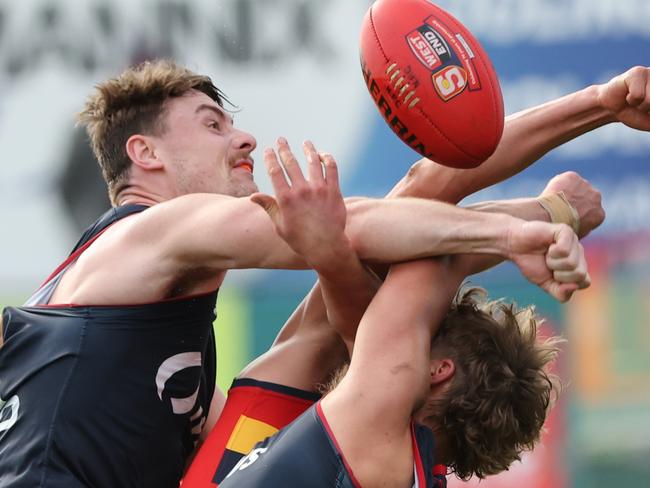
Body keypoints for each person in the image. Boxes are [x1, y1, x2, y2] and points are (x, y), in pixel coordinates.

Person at [0, 59, 588, 488]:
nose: (244, 137)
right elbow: (359, 230)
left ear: (430, 370)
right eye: (213, 125)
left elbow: (389, 238)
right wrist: (533, 222)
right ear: (145, 155)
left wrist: (546, 214)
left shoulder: (181, 370)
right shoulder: (147, 233)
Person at [198, 144, 587, 487]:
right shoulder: (411, 470)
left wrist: (554, 211)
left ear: (438, 370)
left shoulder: (377, 414)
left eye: (423, 338)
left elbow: (438, 254)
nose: (379, 321)